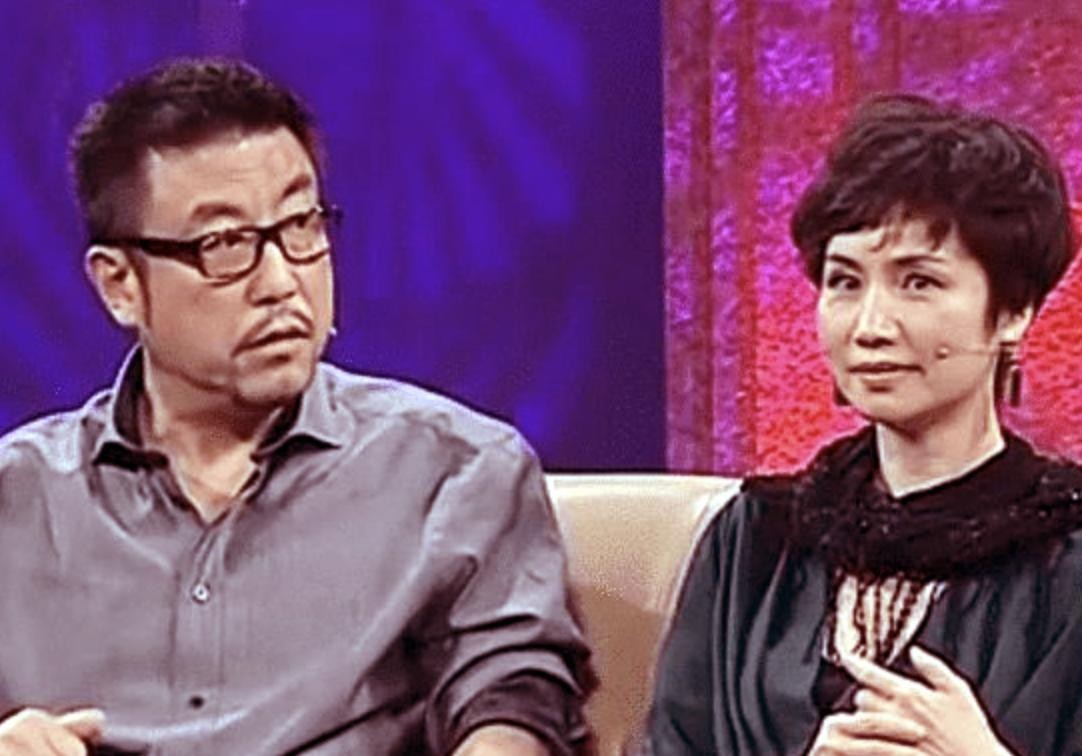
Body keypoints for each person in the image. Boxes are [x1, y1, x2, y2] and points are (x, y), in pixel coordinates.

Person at [0, 58, 593, 755]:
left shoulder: (453, 473)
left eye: (301, 225)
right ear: (119, 285)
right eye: (225, 244)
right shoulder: (18, 500)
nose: (282, 282)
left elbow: (514, 699)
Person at [647, 94, 1082, 754]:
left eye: (919, 283)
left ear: (1014, 311)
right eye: (845, 282)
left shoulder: (1068, 557)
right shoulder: (756, 540)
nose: (871, 327)